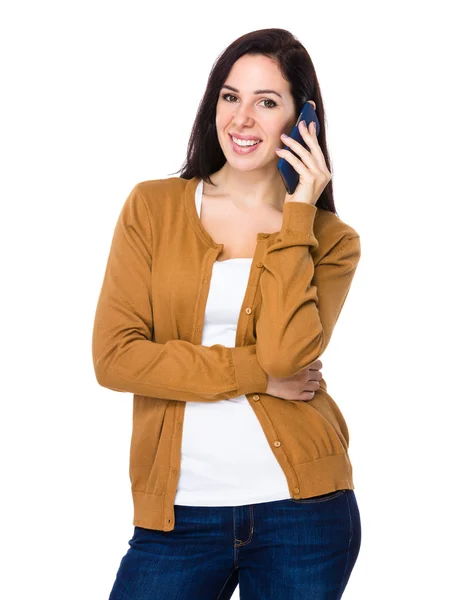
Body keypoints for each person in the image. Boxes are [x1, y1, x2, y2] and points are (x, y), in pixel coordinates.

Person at [92, 27, 362, 600]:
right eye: (230, 96)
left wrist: (296, 214)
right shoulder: (153, 207)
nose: (242, 118)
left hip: (305, 515)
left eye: (267, 102)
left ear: (302, 120)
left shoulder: (330, 239)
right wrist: (257, 376)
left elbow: (290, 354)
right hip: (178, 518)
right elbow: (116, 359)